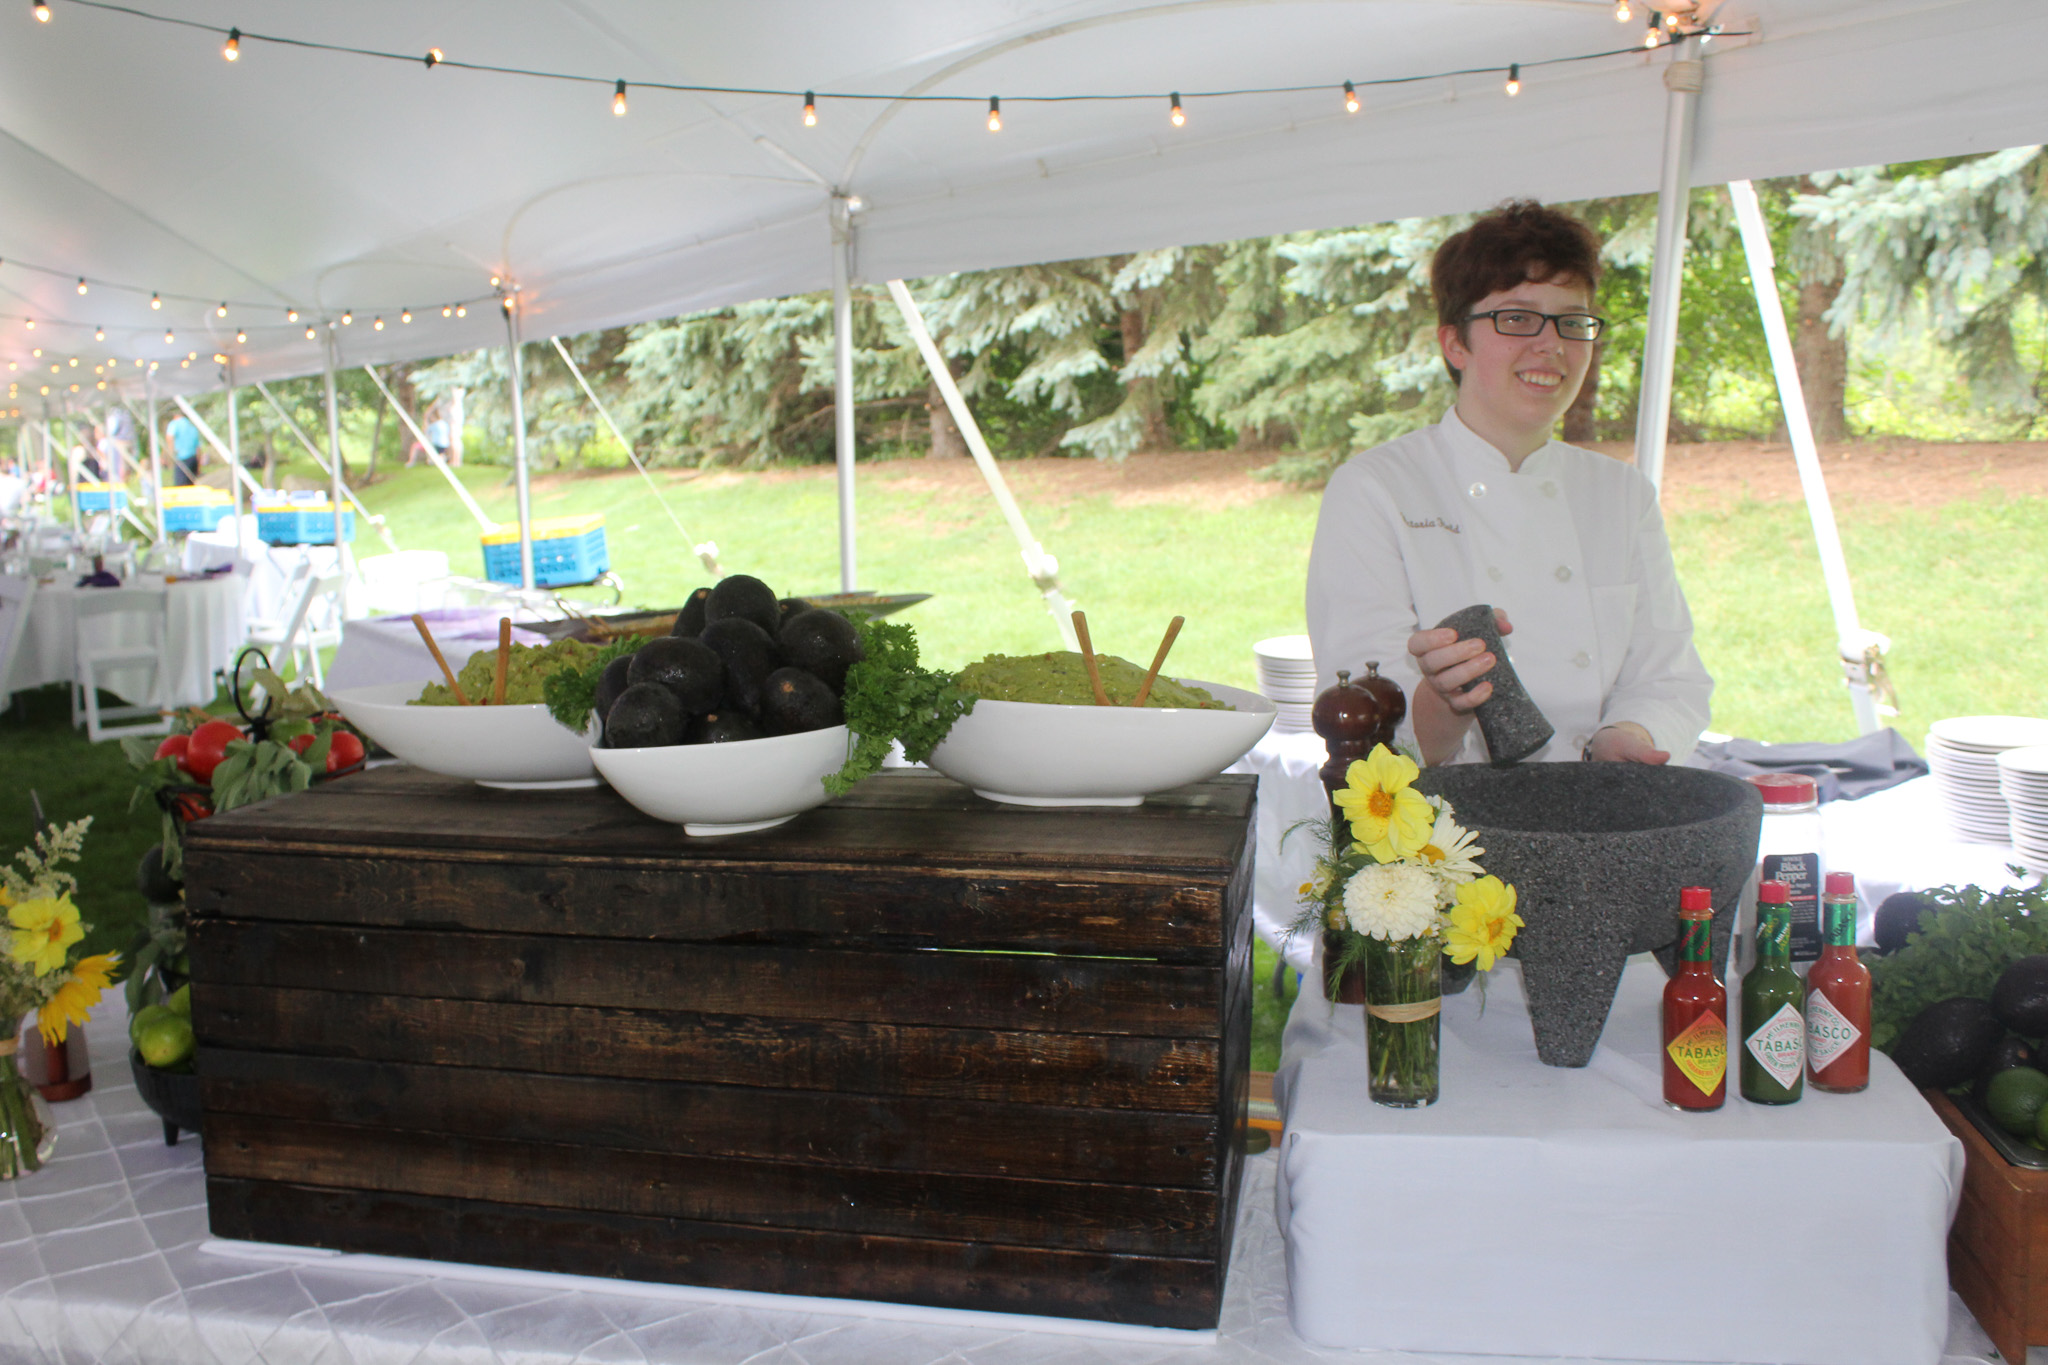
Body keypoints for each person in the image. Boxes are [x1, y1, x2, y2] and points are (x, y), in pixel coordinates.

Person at [1306, 200, 1711, 768]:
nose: (1551, 344)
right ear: (1455, 343)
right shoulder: (1376, 489)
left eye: (1572, 321)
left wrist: (1629, 736)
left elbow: (1669, 677)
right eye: (1517, 318)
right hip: (1446, 815)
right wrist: (1448, 702)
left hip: (1602, 801)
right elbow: (1359, 718)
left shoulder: (1622, 495)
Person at [166, 409, 202, 486]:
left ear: (175, 416)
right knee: (190, 486)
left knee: (181, 487)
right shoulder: (191, 425)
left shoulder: (174, 424)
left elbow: (169, 437)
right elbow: (198, 448)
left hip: (182, 459)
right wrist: (198, 465)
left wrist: (171, 453)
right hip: (193, 459)